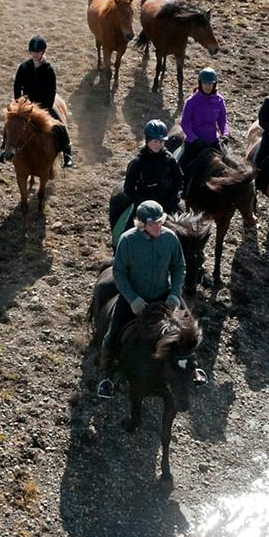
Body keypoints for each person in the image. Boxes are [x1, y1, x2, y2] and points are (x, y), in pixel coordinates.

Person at [99, 200, 185, 394]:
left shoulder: (170, 238)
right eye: (152, 224)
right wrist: (132, 299)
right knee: (112, 334)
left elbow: (179, 267)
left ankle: (191, 368)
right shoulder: (127, 240)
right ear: (141, 224)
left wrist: (175, 294)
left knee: (186, 330)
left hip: (164, 296)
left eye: (160, 222)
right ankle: (105, 375)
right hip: (134, 299)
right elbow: (119, 272)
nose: (157, 227)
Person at [109, 120, 185, 242]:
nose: (158, 145)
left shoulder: (170, 159)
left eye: (161, 142)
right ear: (147, 140)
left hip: (167, 202)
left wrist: (174, 198)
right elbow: (128, 188)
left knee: (188, 231)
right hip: (144, 206)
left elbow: (179, 181)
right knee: (126, 233)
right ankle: (118, 246)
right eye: (155, 141)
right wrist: (142, 202)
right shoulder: (137, 162)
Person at [7, 35, 74, 167]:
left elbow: (52, 90)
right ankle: (4, 148)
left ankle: (67, 153)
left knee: (61, 124)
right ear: (30, 51)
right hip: (27, 105)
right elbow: (17, 86)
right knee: (11, 123)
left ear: (43, 52)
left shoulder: (48, 69)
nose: (35, 54)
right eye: (33, 51)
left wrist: (47, 107)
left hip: (45, 104)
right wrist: (18, 103)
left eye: (38, 52)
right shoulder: (24, 67)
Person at [177, 67, 230, 188]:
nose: (207, 86)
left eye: (210, 83)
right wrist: (194, 139)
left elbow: (222, 120)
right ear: (200, 83)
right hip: (194, 143)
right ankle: (180, 190)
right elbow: (185, 123)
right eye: (205, 83)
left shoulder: (219, 100)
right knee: (180, 166)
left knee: (229, 165)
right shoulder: (191, 101)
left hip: (212, 141)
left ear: (214, 84)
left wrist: (225, 134)